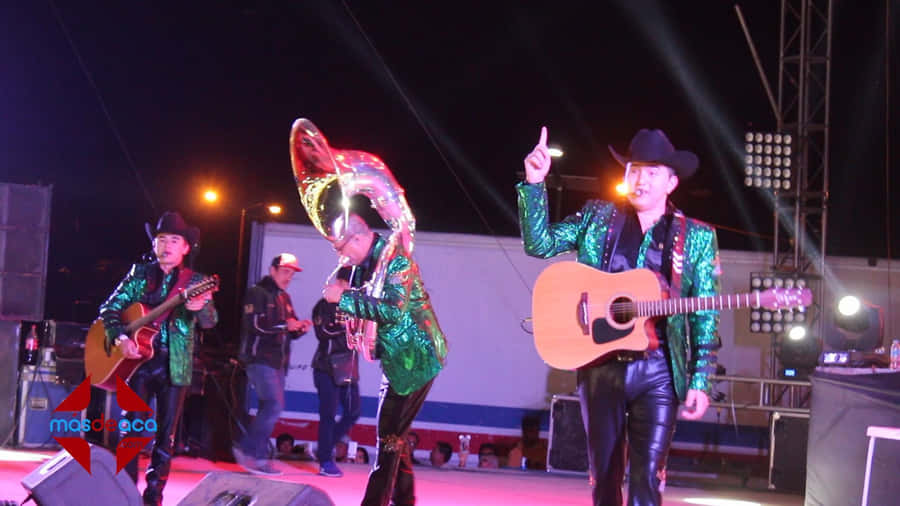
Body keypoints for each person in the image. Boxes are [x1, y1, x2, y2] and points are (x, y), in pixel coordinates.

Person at [518, 127, 721, 506]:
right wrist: (534, 184)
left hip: (659, 370)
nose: (640, 179)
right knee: (604, 481)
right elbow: (540, 243)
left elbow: (704, 314)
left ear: (671, 182)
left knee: (648, 479)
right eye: (634, 169)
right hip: (600, 367)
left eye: (652, 171)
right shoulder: (598, 217)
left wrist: (700, 381)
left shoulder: (694, 237)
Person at [322, 213, 448, 506]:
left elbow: (392, 310)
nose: (341, 256)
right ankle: (404, 500)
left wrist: (343, 299)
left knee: (389, 436)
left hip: (415, 358)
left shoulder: (396, 260)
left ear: (357, 238)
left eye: (341, 248)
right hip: (396, 358)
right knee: (394, 435)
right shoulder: (362, 267)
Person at [99, 211, 218, 506]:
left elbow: (210, 321)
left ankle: (154, 498)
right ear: (154, 245)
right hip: (137, 363)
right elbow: (109, 310)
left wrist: (199, 307)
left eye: (174, 240)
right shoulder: (139, 274)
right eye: (161, 239)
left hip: (175, 363)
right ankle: (125, 495)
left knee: (166, 437)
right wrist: (121, 338)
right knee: (131, 432)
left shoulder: (198, 281)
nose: (166, 245)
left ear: (185, 247)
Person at [234, 253, 313, 475]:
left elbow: (289, 329)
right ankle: (250, 452)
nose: (288, 276)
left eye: (292, 273)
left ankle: (253, 455)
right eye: (285, 271)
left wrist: (299, 328)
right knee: (273, 405)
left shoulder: (284, 298)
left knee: (269, 406)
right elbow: (254, 325)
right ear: (273, 270)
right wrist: (285, 326)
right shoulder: (257, 292)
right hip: (259, 358)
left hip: (277, 362)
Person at [311, 268, 361, 478]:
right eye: (350, 284)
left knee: (353, 411)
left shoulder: (357, 307)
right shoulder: (324, 305)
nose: (353, 289)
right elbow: (323, 333)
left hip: (348, 367)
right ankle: (325, 460)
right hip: (326, 367)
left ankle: (325, 445)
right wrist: (348, 327)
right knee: (328, 415)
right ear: (340, 282)